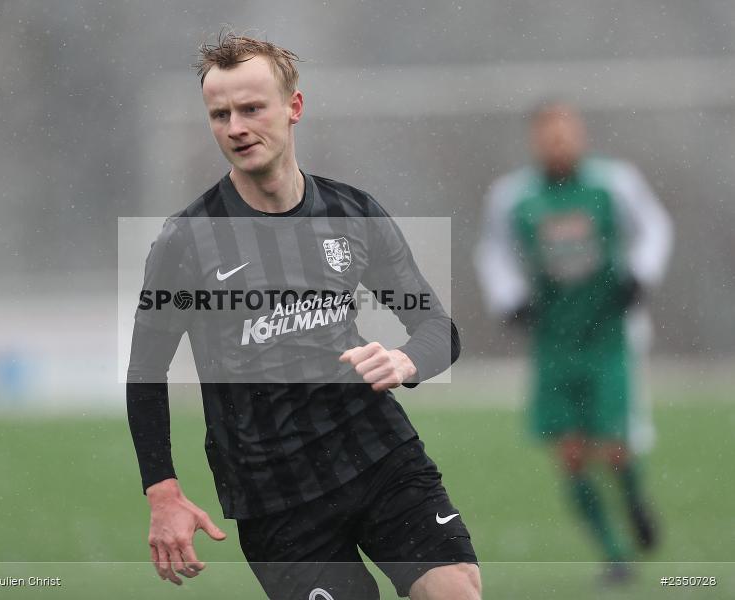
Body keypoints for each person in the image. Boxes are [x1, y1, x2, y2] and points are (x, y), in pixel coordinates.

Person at [126, 33, 481, 599]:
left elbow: (438, 328)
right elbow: (146, 372)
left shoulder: (352, 213)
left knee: (455, 589)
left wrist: (404, 361)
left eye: (251, 109)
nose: (236, 127)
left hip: (378, 454)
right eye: (220, 115)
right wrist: (161, 492)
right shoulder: (186, 242)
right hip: (275, 497)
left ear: (294, 107)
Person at [475, 101, 673, 579]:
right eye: (548, 134)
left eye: (565, 132)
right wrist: (510, 299)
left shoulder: (614, 182)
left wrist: (641, 275)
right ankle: (615, 556)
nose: (557, 142)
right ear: (535, 140)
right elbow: (494, 252)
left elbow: (654, 228)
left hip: (607, 337)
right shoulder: (513, 195)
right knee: (571, 452)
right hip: (554, 342)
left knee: (615, 445)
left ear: (580, 134)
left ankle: (633, 497)